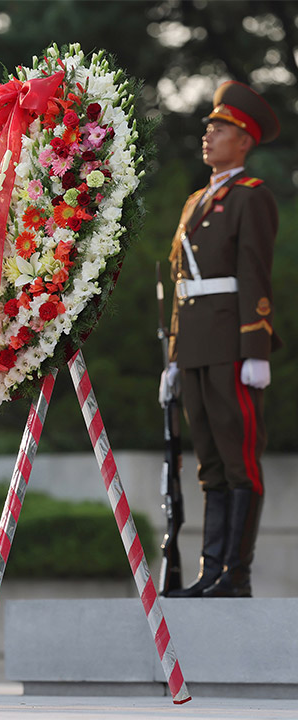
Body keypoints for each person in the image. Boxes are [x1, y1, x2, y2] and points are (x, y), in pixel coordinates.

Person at [162, 81, 280, 599]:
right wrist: (172, 357)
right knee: (209, 461)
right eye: (208, 127)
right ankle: (211, 571)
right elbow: (179, 284)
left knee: (239, 460)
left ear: (245, 142)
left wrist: (255, 349)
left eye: (220, 129)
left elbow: (254, 273)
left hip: (232, 344)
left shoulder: (251, 198)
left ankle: (236, 574)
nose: (208, 135)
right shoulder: (195, 201)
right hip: (193, 347)